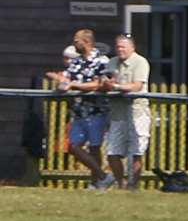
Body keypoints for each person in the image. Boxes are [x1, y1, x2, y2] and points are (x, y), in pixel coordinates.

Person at [46, 28, 114, 190]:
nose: (74, 44)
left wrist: (75, 85)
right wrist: (60, 80)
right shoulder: (77, 62)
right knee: (73, 146)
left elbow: (99, 84)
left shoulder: (102, 61)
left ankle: (96, 183)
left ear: (87, 42)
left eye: (76, 41)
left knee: (94, 147)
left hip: (96, 111)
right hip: (79, 111)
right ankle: (103, 176)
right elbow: (67, 79)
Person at [104, 33, 152, 191]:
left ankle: (134, 186)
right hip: (117, 113)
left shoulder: (140, 62)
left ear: (132, 47)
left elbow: (137, 86)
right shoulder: (112, 62)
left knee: (136, 151)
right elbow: (106, 80)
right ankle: (121, 184)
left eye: (123, 47)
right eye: (117, 47)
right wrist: (107, 84)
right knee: (112, 152)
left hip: (137, 112)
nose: (120, 50)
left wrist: (116, 87)